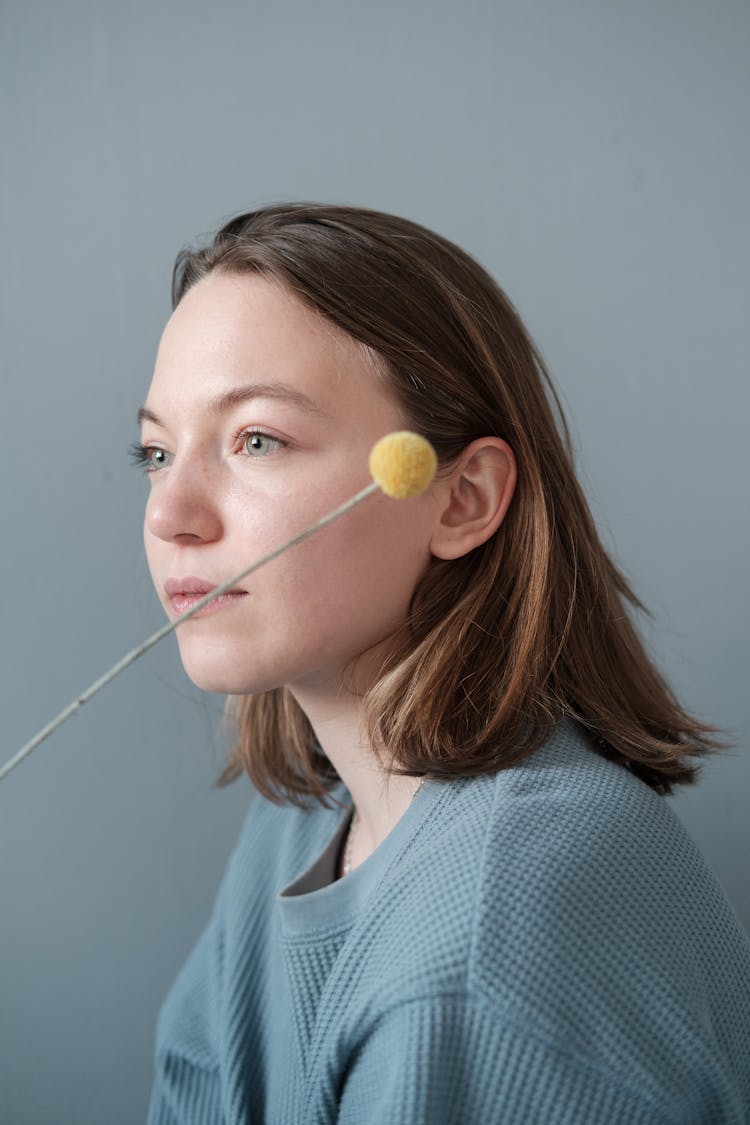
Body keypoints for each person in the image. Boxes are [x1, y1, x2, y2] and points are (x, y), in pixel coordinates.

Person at [138, 203, 750, 1124]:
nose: (170, 512)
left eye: (256, 440)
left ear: (462, 499)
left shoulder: (486, 945)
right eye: (154, 451)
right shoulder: (305, 825)